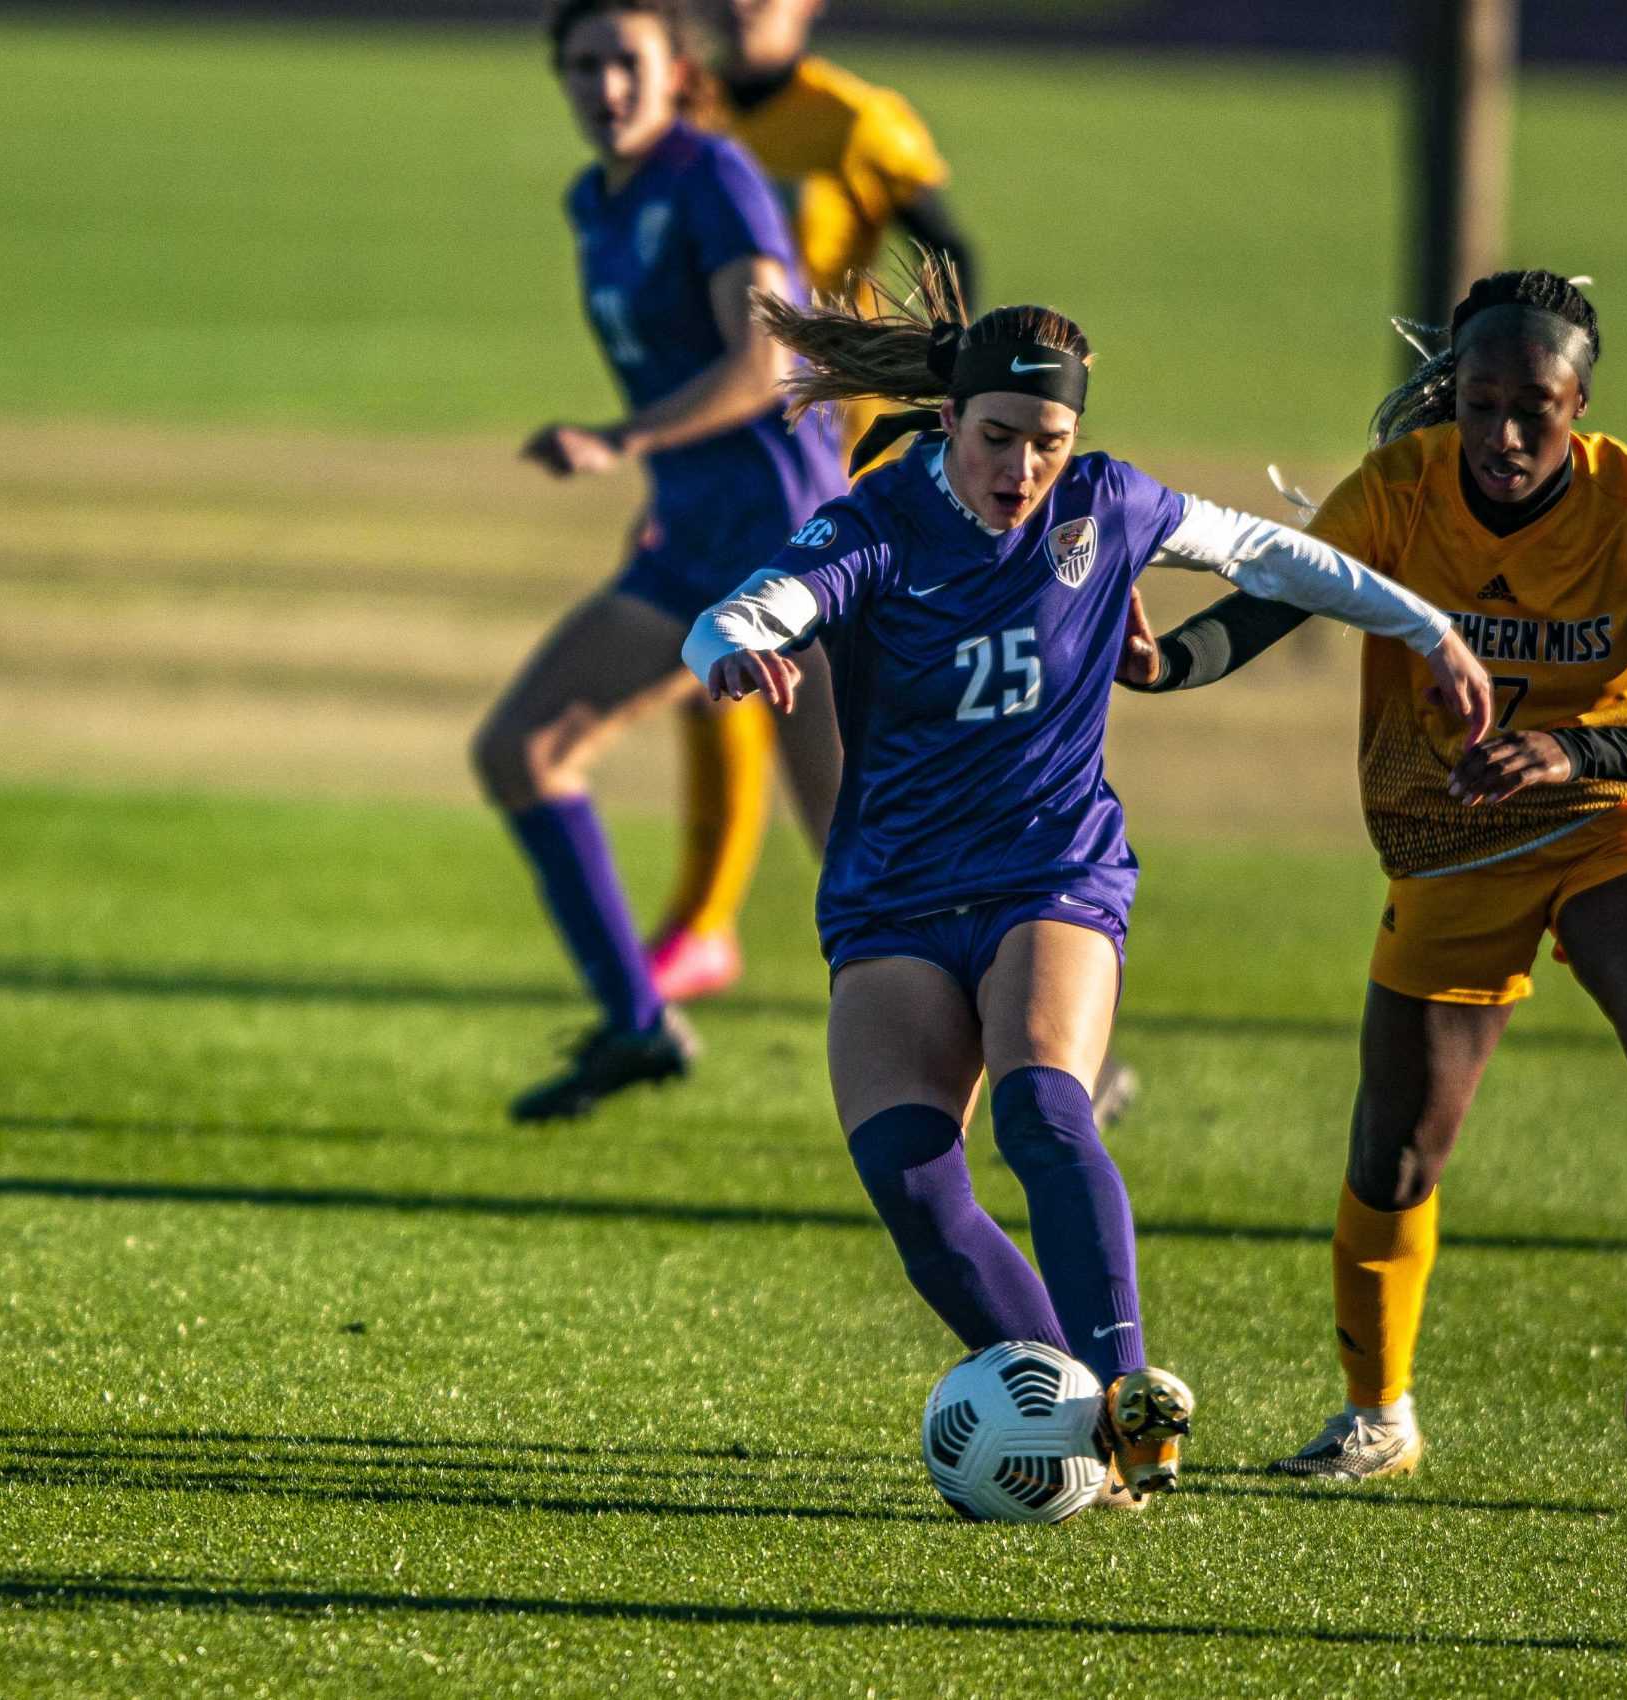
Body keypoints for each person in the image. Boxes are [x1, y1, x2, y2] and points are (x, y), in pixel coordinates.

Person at [682, 257, 1491, 1500]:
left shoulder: (1105, 507)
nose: (1022, 468)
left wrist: (1424, 626)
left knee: (1043, 1109)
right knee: (911, 1181)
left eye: (1048, 442)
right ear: (949, 420)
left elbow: (1269, 553)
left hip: (1048, 869)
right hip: (892, 896)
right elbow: (759, 599)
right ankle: (1067, 1410)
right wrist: (739, 644)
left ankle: (1130, 1400)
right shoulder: (877, 522)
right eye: (1000, 437)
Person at [1122, 271, 1627, 1489]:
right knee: (1397, 1150)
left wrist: (1575, 748)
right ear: (1449, 396)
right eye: (1479, 403)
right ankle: (1377, 1415)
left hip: (1613, 812)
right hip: (1452, 836)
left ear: (1580, 404)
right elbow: (1263, 610)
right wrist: (1169, 665)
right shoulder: (1398, 494)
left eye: (1537, 407)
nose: (1505, 434)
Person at [472, 0, 846, 1121]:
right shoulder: (595, 200)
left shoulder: (716, 175)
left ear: (673, 68)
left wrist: (622, 440)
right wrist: (654, 479)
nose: (604, 88)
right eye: (581, 67)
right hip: (691, 548)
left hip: (791, 556)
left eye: (624, 63)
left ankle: (1052, 1066)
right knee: (523, 748)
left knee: (858, 850)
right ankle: (637, 1027)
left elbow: (763, 361)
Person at [645, 0, 977, 1007]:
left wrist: (945, 388)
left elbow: (948, 256)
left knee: (840, 703)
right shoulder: (682, 112)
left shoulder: (852, 120)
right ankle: (709, 922)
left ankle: (944, 939)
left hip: (834, 452)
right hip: (723, 444)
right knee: (719, 658)